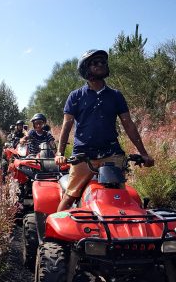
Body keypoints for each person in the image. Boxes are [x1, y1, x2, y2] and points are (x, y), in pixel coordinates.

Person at [55, 49, 154, 212]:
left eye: (103, 62)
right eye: (95, 62)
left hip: (112, 155)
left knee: (120, 198)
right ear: (85, 68)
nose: (100, 65)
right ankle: (53, 236)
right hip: (83, 156)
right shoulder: (76, 96)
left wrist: (143, 153)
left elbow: (128, 123)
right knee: (70, 196)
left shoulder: (115, 95)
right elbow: (67, 124)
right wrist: (59, 153)